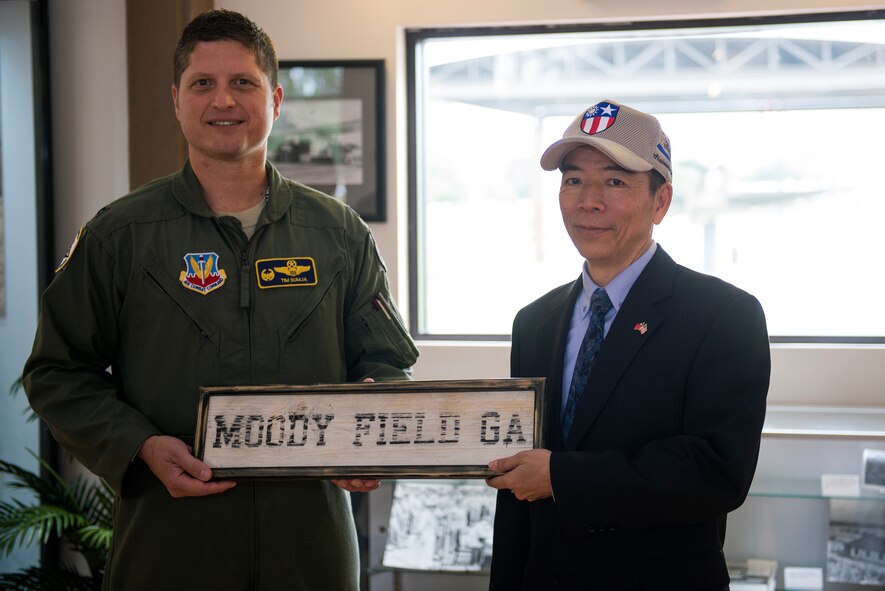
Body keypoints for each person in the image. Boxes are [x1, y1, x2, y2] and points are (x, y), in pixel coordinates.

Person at [23, 9, 418, 590]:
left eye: (243, 82)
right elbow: (57, 373)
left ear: (276, 99)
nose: (223, 101)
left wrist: (371, 429)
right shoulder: (122, 235)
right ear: (176, 100)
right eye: (202, 83)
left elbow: (387, 365)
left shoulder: (338, 233)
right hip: (168, 544)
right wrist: (139, 447)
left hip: (309, 549)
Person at [485, 100, 770, 590]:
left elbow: (717, 470)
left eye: (615, 182)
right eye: (573, 180)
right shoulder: (534, 322)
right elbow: (518, 493)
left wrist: (564, 478)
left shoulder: (724, 315)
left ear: (661, 201)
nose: (587, 201)